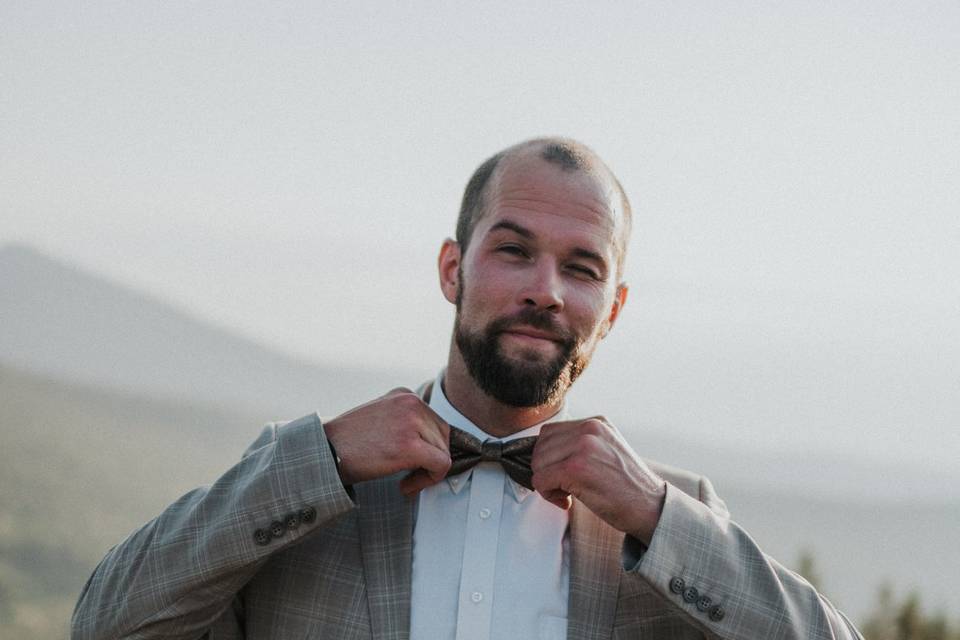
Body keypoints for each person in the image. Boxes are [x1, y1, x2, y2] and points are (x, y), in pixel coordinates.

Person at [72, 137, 863, 640]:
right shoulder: (307, 482)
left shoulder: (668, 520)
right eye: (513, 251)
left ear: (612, 309)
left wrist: (656, 515)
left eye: (582, 267)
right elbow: (105, 624)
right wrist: (321, 459)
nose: (545, 290)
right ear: (454, 269)